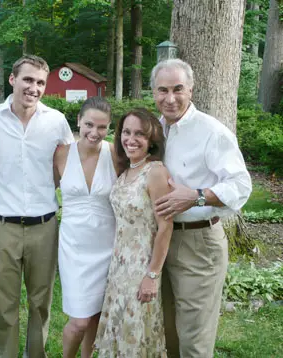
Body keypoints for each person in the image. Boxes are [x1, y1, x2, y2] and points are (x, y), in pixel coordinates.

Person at [150, 59, 252, 357]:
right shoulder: (154, 130)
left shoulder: (211, 131)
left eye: (178, 89)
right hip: (160, 241)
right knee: (166, 332)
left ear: (191, 90)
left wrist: (196, 196)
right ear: (153, 92)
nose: (170, 98)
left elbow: (241, 185)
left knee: (194, 339)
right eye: (162, 90)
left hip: (198, 243)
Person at [0, 54, 74, 357]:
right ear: (12, 80)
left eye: (40, 82)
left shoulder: (56, 121)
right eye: (28, 79)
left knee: (40, 301)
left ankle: (36, 354)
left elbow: (64, 171)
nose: (34, 87)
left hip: (44, 225)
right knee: (3, 301)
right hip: (3, 225)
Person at [95, 108, 173, 357]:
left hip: (141, 268)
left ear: (152, 140)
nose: (131, 139)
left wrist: (152, 274)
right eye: (126, 132)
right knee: (119, 329)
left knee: (135, 331)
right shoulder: (127, 171)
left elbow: (165, 226)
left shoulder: (155, 172)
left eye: (139, 134)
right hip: (118, 266)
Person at [53, 96, 117, 358]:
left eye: (102, 127)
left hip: (107, 245)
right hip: (74, 246)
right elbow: (45, 188)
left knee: (96, 317)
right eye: (89, 124)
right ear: (78, 121)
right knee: (79, 320)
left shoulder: (115, 153)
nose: (95, 132)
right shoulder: (61, 153)